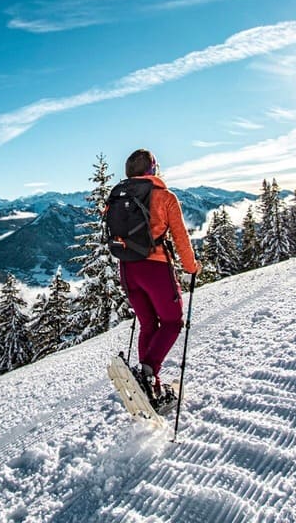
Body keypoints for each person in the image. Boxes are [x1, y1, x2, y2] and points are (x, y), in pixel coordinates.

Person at [118, 149, 200, 407]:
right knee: (173, 322)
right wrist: (191, 267)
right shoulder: (165, 197)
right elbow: (180, 238)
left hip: (128, 270)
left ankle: (151, 387)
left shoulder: (119, 197)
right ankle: (147, 373)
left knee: (149, 325)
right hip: (155, 269)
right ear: (152, 170)